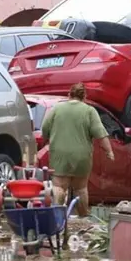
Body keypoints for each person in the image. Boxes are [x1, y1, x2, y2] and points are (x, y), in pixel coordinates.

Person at [41, 83, 114, 216]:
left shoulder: (57, 108)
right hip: (82, 156)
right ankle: (83, 218)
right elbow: (100, 133)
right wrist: (109, 151)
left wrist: (47, 139)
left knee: (59, 187)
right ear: (84, 96)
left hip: (59, 154)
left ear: (69, 94)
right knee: (81, 189)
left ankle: (57, 217)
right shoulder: (89, 111)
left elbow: (45, 129)